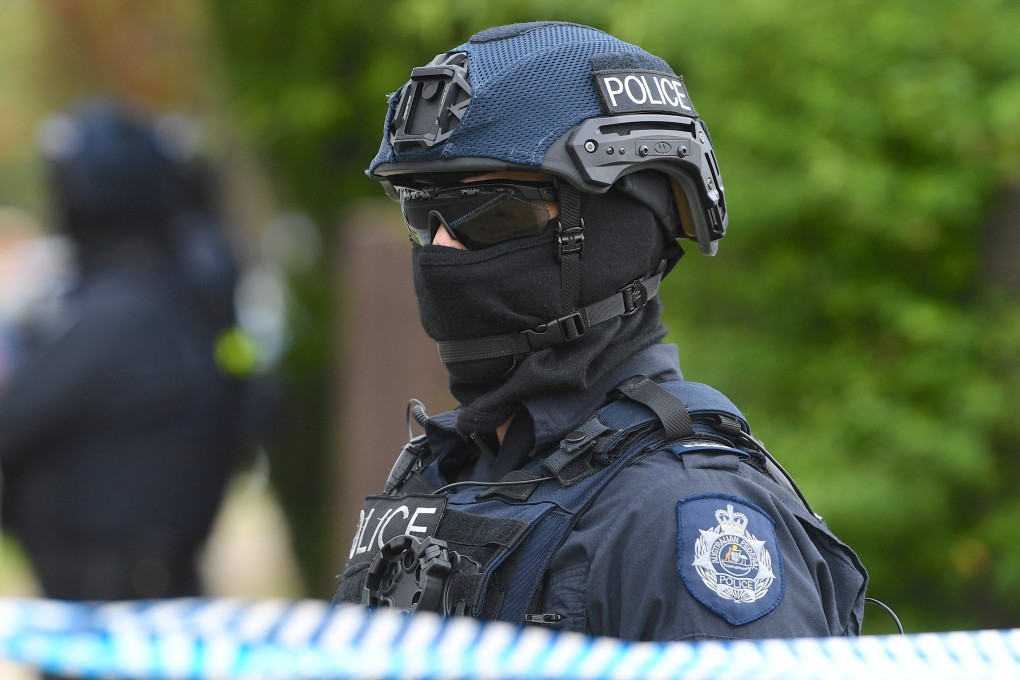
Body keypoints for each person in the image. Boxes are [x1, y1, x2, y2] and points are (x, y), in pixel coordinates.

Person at [333, 21, 868, 641]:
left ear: (621, 234)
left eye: (496, 214)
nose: (443, 250)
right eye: (423, 215)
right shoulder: (448, 468)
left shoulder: (681, 519)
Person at [0, 98, 242, 611]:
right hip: (137, 589)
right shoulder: (162, 291)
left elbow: (11, 419)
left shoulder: (123, 313)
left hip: (115, 606)